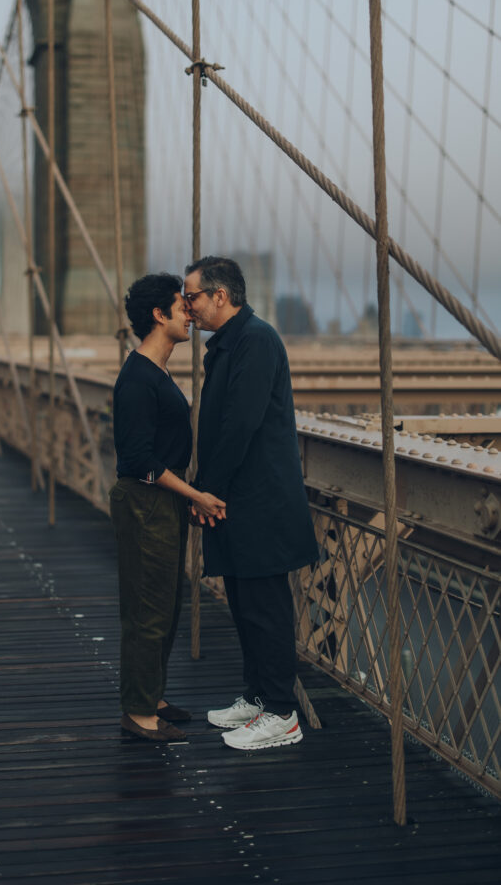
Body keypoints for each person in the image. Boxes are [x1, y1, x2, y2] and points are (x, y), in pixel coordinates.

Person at [184, 256, 318, 751]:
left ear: (221, 296)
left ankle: (283, 714)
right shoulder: (231, 343)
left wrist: (206, 490)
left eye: (192, 296)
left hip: (260, 500)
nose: (187, 306)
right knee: (244, 603)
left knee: (265, 607)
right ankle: (259, 696)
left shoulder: (256, 340)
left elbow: (240, 423)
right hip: (239, 499)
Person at [110, 273, 227, 743]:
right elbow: (138, 460)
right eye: (182, 306)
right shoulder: (138, 376)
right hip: (146, 504)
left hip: (161, 503)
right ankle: (138, 713)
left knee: (165, 602)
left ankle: (152, 695)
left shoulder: (154, 371)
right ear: (159, 315)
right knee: (147, 608)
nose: (190, 312)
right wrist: (195, 494)